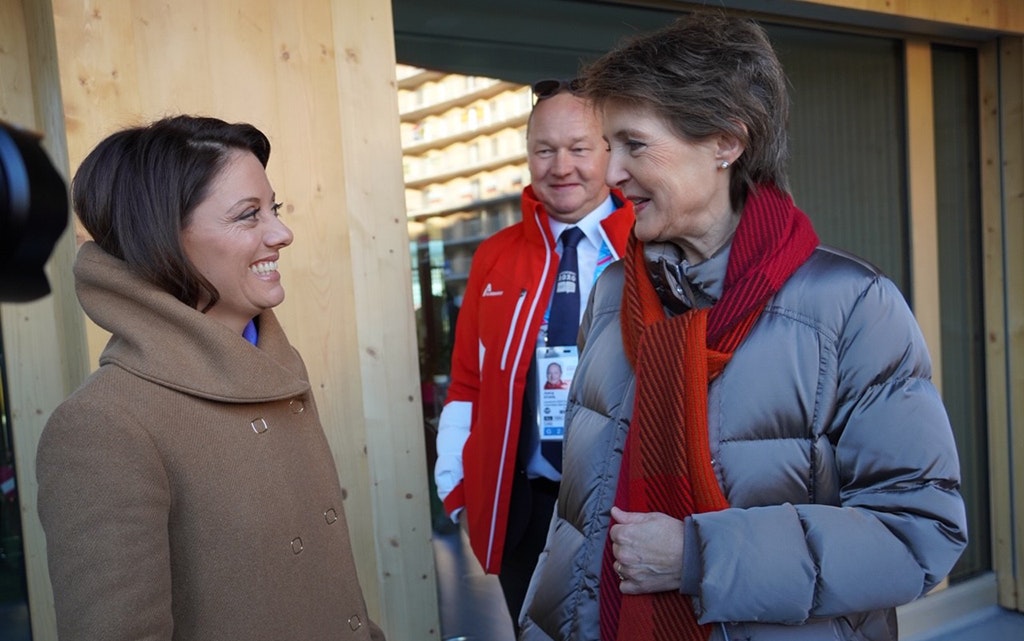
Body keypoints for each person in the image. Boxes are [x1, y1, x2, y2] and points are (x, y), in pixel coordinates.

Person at [519, 12, 967, 641]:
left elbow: (919, 532)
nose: (610, 173)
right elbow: (581, 521)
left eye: (634, 144)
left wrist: (702, 556)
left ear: (727, 142)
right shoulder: (614, 291)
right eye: (610, 145)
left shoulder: (851, 305)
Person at [36, 115, 385, 641]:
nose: (282, 233)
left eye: (276, 209)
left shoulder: (274, 370)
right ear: (164, 239)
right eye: (249, 215)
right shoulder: (102, 425)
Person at [433, 81, 635, 633]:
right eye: (544, 150)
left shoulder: (648, 242)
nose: (560, 166)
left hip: (624, 510)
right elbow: (468, 385)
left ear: (609, 151)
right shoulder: (495, 257)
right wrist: (457, 490)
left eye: (579, 148)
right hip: (526, 510)